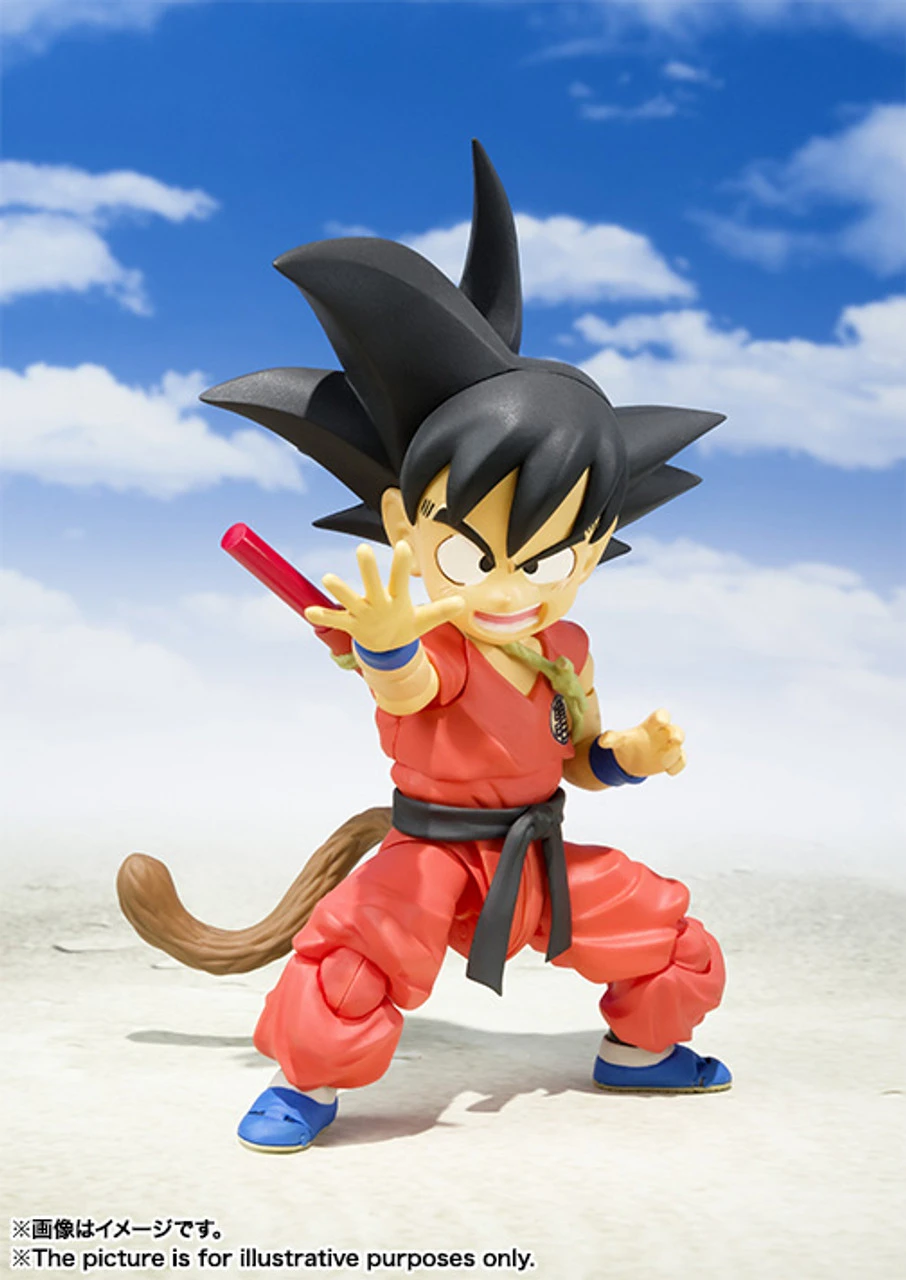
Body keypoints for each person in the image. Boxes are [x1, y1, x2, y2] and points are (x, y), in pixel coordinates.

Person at [120, 141, 731, 1154]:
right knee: (353, 960)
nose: (509, 585)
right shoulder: (432, 637)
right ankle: (307, 1082)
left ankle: (641, 1050)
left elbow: (574, 754)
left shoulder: (564, 643)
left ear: (589, 554)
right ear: (406, 523)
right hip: (431, 855)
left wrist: (632, 754)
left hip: (534, 855)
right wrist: (386, 647)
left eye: (548, 556)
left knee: (668, 933)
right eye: (470, 551)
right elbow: (409, 691)